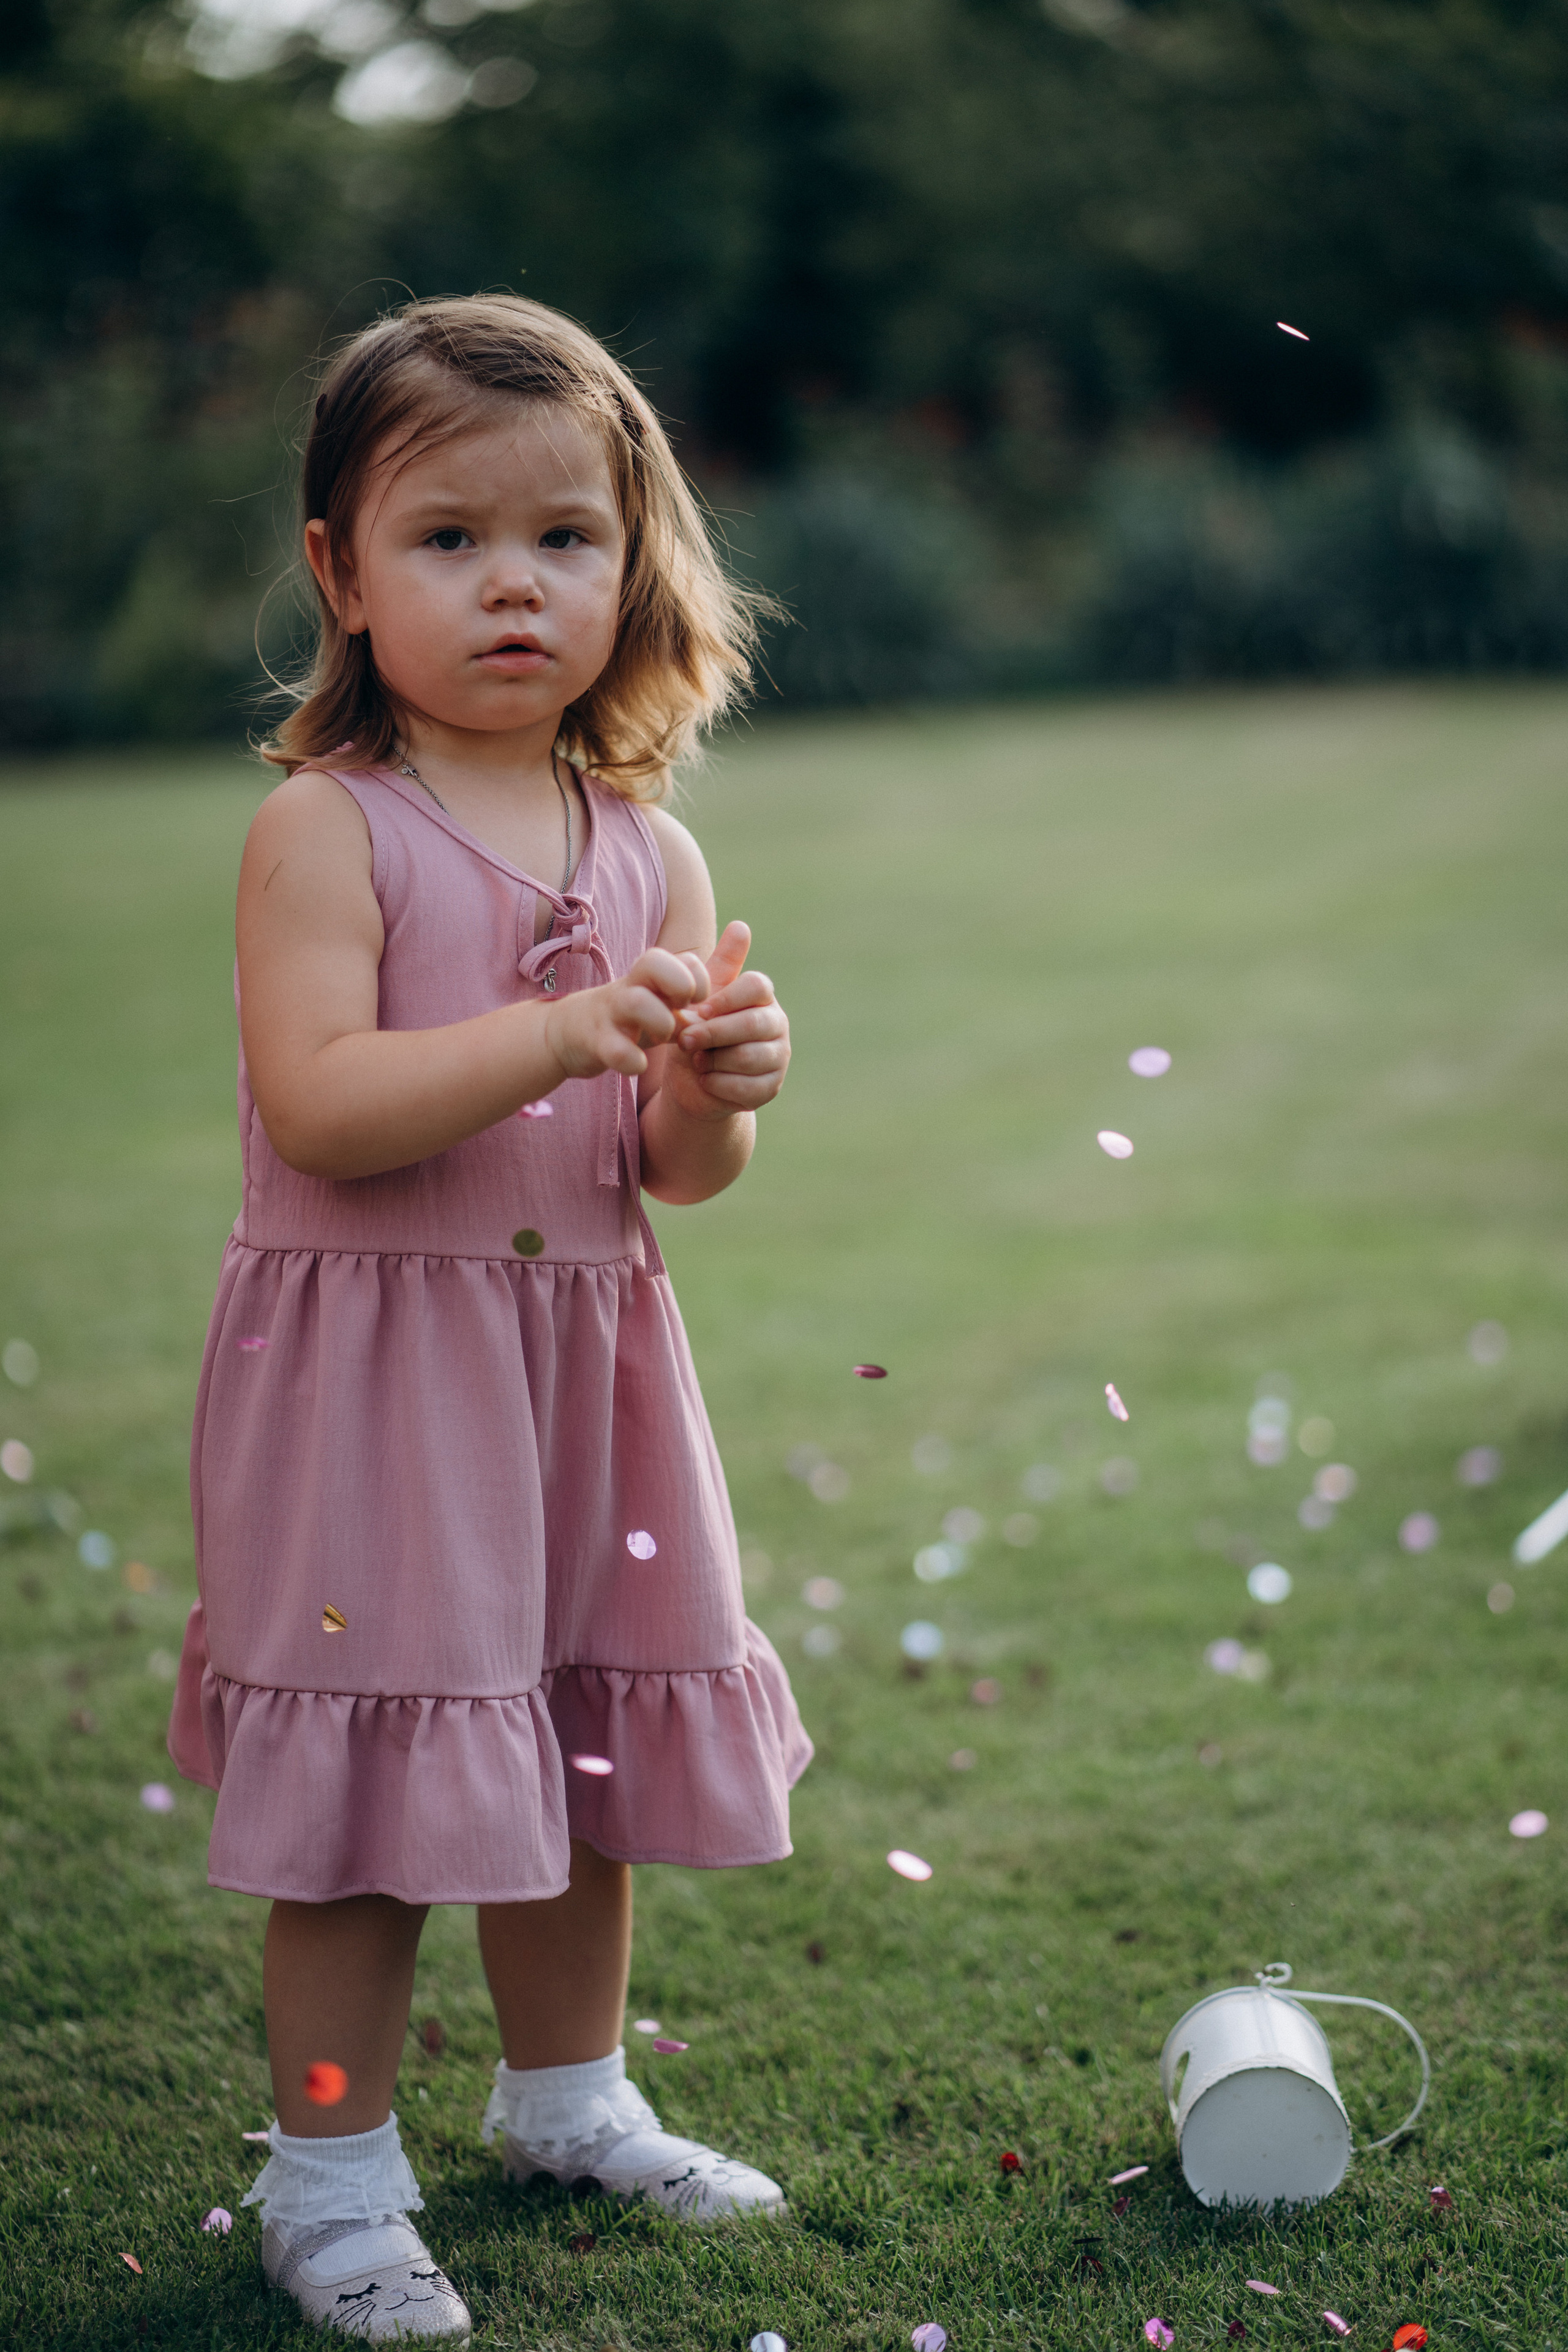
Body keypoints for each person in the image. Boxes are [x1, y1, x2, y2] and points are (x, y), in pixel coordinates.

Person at [165, 293, 810, 2343]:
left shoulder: (654, 849)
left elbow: (664, 1178)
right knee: (370, 1799)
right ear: (340, 578)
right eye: (447, 539)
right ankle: (335, 2172)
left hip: (582, 1371)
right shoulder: (325, 831)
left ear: (639, 565)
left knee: (577, 1736)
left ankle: (572, 2100)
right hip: (376, 1384)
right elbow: (327, 1111)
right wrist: (547, 1033)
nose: (514, 583)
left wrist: (710, 1092)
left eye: (565, 537)